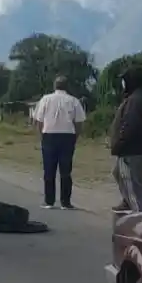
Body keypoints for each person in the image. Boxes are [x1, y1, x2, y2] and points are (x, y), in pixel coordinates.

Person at [33, 76, 86, 210]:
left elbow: (38, 121)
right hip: (67, 136)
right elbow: (79, 122)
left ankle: (49, 201)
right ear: (67, 86)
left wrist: (41, 135)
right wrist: (75, 136)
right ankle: (65, 202)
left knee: (49, 170)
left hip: (49, 135)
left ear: (54, 85)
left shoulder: (45, 99)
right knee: (66, 170)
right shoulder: (74, 101)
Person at [109, 66, 142, 212]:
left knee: (134, 188)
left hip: (132, 150)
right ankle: (127, 201)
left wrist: (119, 145)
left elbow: (130, 125)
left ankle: (140, 217)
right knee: (118, 172)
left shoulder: (135, 100)